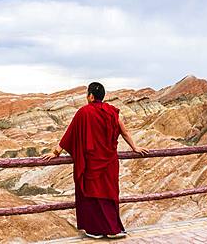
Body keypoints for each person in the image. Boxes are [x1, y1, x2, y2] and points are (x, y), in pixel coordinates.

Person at [43, 82, 149, 239]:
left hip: (91, 163)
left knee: (92, 195)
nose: (87, 97)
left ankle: (95, 230)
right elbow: (124, 131)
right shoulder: (112, 112)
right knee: (109, 194)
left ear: (91, 96)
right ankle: (112, 229)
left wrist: (56, 152)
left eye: (87, 94)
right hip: (110, 162)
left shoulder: (84, 112)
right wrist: (134, 147)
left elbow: (69, 134)